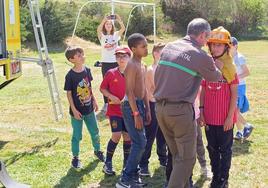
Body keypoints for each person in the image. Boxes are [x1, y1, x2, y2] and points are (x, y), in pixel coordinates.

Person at [154, 18, 222, 188]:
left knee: (177, 156)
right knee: (187, 159)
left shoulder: (169, 46)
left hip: (160, 109)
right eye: (207, 38)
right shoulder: (200, 55)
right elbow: (215, 78)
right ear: (202, 35)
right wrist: (217, 66)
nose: (207, 42)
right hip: (180, 111)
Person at [200, 26, 239, 188]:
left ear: (226, 47)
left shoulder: (230, 67)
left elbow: (234, 95)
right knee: (212, 149)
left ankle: (224, 178)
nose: (215, 48)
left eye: (219, 45)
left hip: (225, 119)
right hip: (209, 118)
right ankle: (216, 176)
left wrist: (230, 117)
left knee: (225, 150)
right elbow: (203, 88)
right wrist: (201, 110)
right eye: (213, 44)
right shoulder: (208, 64)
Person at [116, 33, 151, 188]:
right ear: (133, 49)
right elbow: (129, 91)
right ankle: (125, 179)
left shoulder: (142, 65)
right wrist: (136, 113)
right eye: (143, 46)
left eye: (146, 45)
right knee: (140, 142)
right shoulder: (132, 65)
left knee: (141, 141)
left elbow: (143, 90)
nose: (146, 48)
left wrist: (148, 109)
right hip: (131, 106)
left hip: (140, 105)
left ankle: (134, 176)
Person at [64, 46, 105, 169]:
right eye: (79, 55)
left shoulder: (87, 70)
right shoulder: (70, 75)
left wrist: (94, 101)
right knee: (77, 135)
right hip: (77, 112)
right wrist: (74, 110)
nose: (82, 56)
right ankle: (75, 158)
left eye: (82, 53)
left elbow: (89, 87)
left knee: (95, 131)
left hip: (89, 109)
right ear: (72, 59)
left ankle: (97, 151)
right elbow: (69, 93)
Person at [100, 47, 132, 175]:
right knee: (116, 135)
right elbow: (102, 88)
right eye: (118, 56)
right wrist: (110, 96)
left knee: (127, 136)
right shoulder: (111, 73)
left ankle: (126, 164)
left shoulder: (133, 73)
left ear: (129, 57)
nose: (121, 58)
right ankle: (108, 163)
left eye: (124, 56)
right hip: (115, 111)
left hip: (129, 111)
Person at [139, 42, 167, 177]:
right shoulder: (151, 69)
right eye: (163, 52)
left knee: (163, 135)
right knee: (150, 136)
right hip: (154, 105)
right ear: (156, 54)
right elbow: (151, 90)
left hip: (164, 105)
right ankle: (143, 164)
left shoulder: (166, 68)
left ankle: (163, 158)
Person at [97, 14, 125, 113]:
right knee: (106, 84)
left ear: (112, 26)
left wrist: (119, 19)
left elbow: (123, 28)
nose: (108, 25)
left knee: (118, 82)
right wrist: (104, 19)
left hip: (115, 62)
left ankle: (120, 100)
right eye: (106, 24)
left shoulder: (116, 35)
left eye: (110, 24)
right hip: (105, 63)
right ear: (104, 26)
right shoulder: (102, 36)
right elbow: (98, 29)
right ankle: (106, 104)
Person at [231, 37, 254, 141]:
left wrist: (235, 79)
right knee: (236, 110)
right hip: (234, 86)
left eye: (230, 45)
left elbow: (247, 72)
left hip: (239, 86)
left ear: (235, 46)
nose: (228, 47)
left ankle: (247, 125)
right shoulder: (230, 57)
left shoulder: (239, 57)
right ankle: (240, 132)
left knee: (234, 110)